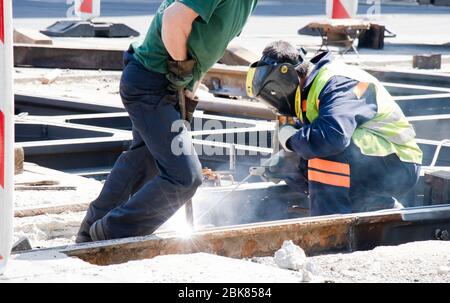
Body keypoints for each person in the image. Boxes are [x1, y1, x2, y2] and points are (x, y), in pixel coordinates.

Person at [76, 0, 258, 242]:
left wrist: (191, 82)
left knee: (143, 159)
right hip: (151, 82)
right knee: (185, 177)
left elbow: (211, 38)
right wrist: (181, 69)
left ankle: (90, 232)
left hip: (159, 81)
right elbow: (173, 19)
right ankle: (110, 233)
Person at [246, 40, 422, 216]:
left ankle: (331, 227)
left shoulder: (338, 83)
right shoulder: (310, 87)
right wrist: (286, 159)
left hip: (398, 163)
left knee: (325, 150)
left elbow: (332, 137)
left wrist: (291, 141)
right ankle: (376, 206)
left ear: (286, 78)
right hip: (373, 160)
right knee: (302, 159)